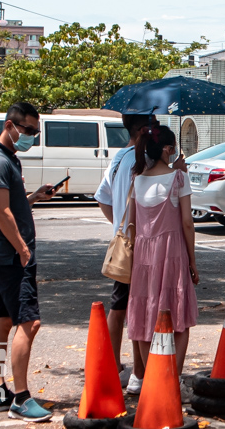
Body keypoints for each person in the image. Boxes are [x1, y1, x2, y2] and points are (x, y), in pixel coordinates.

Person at [0, 102, 56, 422]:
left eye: (36, 133)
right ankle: (21, 399)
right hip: (11, 255)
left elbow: (9, 203)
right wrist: (23, 249)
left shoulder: (8, 159)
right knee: (29, 322)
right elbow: (0, 212)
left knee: (1, 321)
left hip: (4, 254)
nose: (31, 137)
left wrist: (35, 197)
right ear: (10, 126)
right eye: (28, 131)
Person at [126, 125, 198, 376]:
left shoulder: (138, 179)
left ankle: (153, 380)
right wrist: (193, 261)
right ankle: (172, 382)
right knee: (179, 318)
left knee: (145, 318)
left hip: (143, 258)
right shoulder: (179, 179)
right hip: (172, 253)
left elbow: (133, 224)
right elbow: (187, 223)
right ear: (168, 149)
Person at [94, 112, 152, 394]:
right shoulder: (142, 160)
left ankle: (114, 365)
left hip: (123, 242)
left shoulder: (118, 158)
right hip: (141, 243)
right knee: (136, 307)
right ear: (143, 129)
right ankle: (139, 372)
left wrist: (118, 223)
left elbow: (102, 198)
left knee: (119, 304)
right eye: (153, 127)